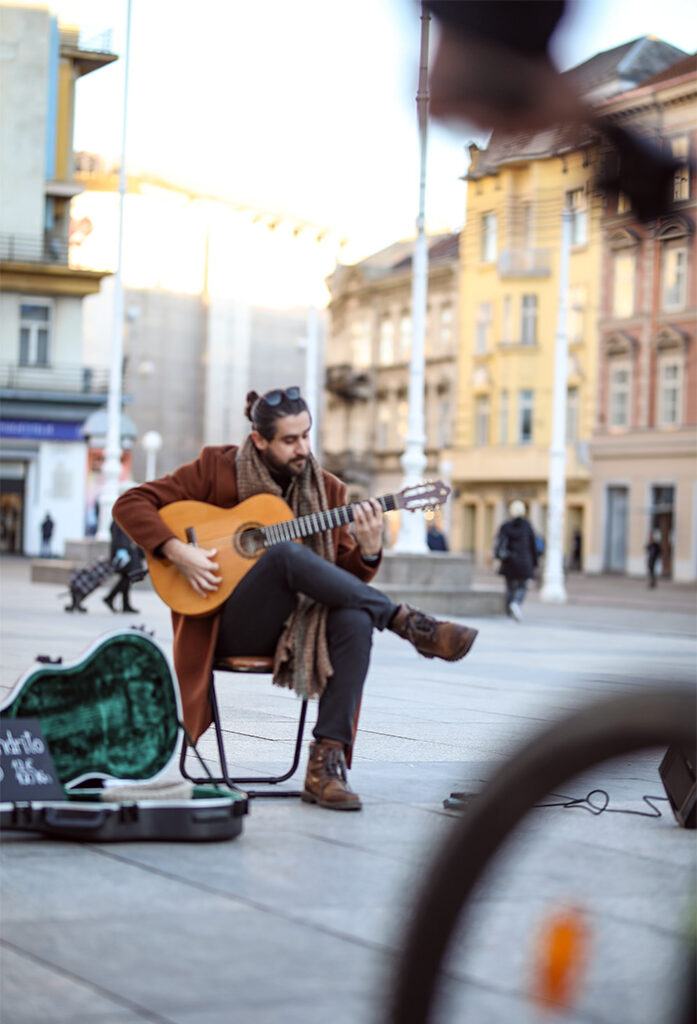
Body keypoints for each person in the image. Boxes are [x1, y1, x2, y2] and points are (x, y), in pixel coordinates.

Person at [113, 387, 478, 812]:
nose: (303, 448)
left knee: (355, 620)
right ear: (259, 441)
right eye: (290, 440)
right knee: (285, 554)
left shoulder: (329, 490)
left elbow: (342, 583)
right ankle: (407, 622)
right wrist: (178, 551)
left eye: (306, 436)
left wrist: (369, 550)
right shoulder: (217, 468)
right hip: (225, 626)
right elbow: (130, 502)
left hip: (300, 629)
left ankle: (326, 763)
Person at [494, 500, 538, 621]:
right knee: (522, 586)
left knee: (509, 587)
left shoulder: (505, 526)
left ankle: (508, 611)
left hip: (509, 560)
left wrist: (498, 556)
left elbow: (498, 543)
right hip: (524, 560)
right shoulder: (527, 526)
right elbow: (533, 545)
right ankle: (516, 603)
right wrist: (535, 562)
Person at [103, 519, 143, 614]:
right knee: (127, 577)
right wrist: (123, 550)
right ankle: (111, 598)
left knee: (127, 578)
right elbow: (120, 538)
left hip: (126, 552)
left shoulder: (120, 520)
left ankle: (125, 604)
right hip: (124, 553)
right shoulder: (119, 520)